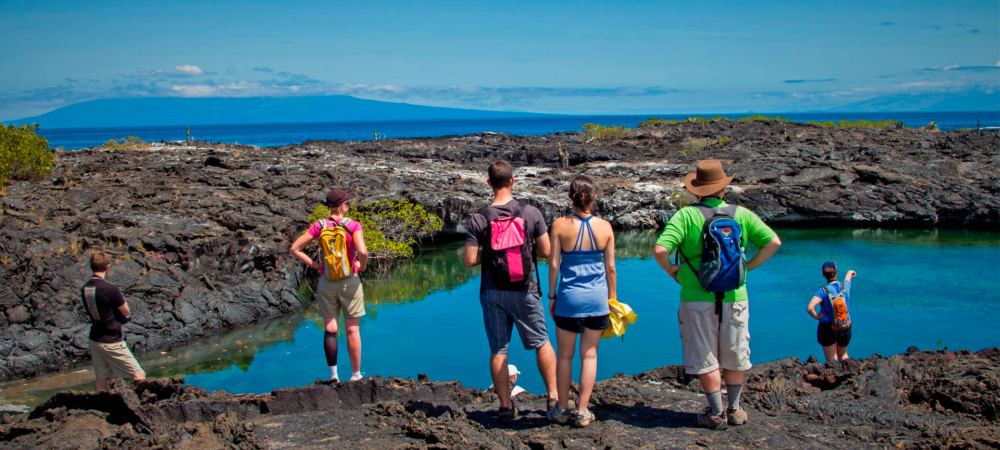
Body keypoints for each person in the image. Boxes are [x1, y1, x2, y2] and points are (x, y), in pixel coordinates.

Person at [652, 160, 782, 430]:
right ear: (724, 187)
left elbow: (660, 250)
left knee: (705, 354)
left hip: (696, 296)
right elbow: (773, 242)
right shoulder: (741, 214)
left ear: (697, 190)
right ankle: (734, 409)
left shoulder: (686, 216)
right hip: (735, 295)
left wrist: (674, 272)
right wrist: (748, 267)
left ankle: (715, 413)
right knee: (735, 353)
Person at [463, 160, 559, 423]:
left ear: (489, 183)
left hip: (492, 292)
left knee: (499, 349)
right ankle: (553, 399)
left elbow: (469, 260)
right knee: (541, 342)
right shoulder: (530, 213)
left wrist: (491, 251)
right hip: (525, 290)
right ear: (513, 180)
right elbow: (547, 251)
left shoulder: (479, 219)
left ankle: (505, 407)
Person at [546, 175, 616, 428]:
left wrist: (552, 295)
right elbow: (610, 268)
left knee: (564, 356)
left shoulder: (559, 225)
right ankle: (583, 411)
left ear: (571, 197)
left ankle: (562, 409)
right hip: (597, 300)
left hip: (568, 299)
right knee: (590, 355)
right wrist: (613, 299)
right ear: (593, 197)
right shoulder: (606, 227)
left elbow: (554, 264)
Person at [291, 188, 369, 382]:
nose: (349, 207)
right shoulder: (353, 225)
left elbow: (295, 248)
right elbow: (363, 251)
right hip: (349, 280)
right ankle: (355, 374)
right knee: (352, 329)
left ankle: (333, 376)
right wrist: (361, 265)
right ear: (342, 206)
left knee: (330, 329)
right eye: (348, 204)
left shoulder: (320, 226)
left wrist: (316, 265)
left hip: (327, 281)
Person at [80, 252, 145, 391]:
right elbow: (126, 311)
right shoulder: (110, 288)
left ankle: (101, 405)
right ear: (108, 267)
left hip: (95, 339)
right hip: (111, 340)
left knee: (102, 378)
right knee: (138, 374)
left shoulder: (85, 288)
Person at [807, 261, 856, 363]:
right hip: (844, 325)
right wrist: (850, 273)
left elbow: (810, 308)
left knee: (831, 360)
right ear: (836, 272)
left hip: (827, 328)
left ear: (823, 274)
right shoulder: (844, 287)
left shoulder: (823, 291)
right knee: (843, 355)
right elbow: (848, 278)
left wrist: (817, 316)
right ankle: (850, 374)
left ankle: (833, 376)